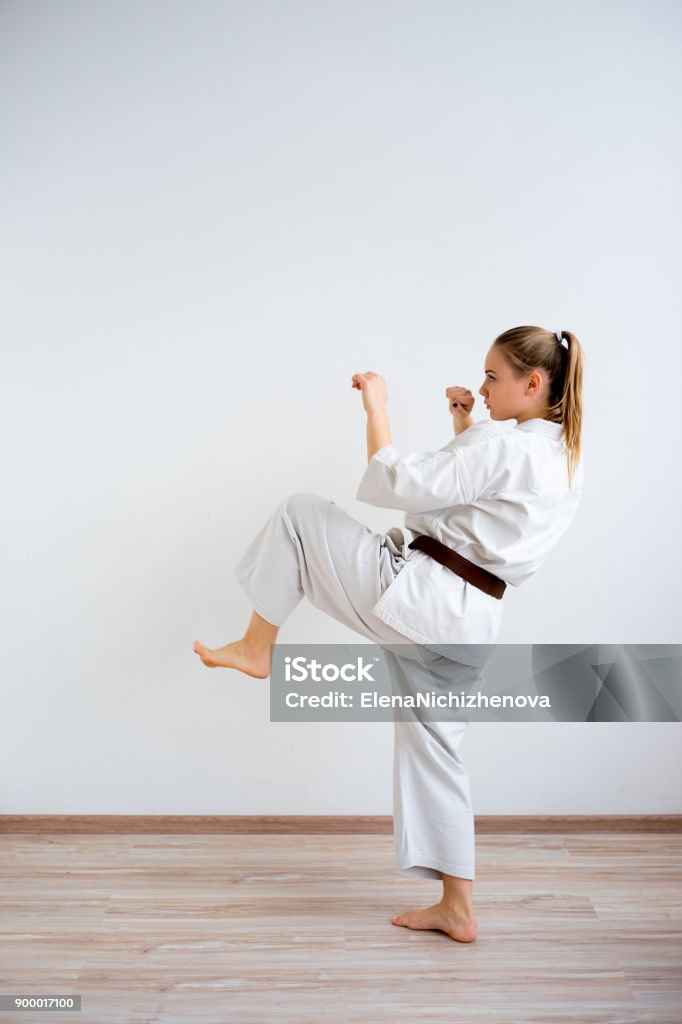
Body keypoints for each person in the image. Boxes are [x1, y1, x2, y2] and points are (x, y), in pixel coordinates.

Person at [193, 325, 585, 943]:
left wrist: (376, 406)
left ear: (532, 384)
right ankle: (458, 906)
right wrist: (465, 428)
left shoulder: (505, 448)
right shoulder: (560, 455)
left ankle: (255, 646)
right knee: (439, 755)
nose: (482, 388)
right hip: (469, 625)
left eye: (492, 376)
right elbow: (479, 509)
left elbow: (397, 484)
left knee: (299, 514)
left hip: (423, 602)